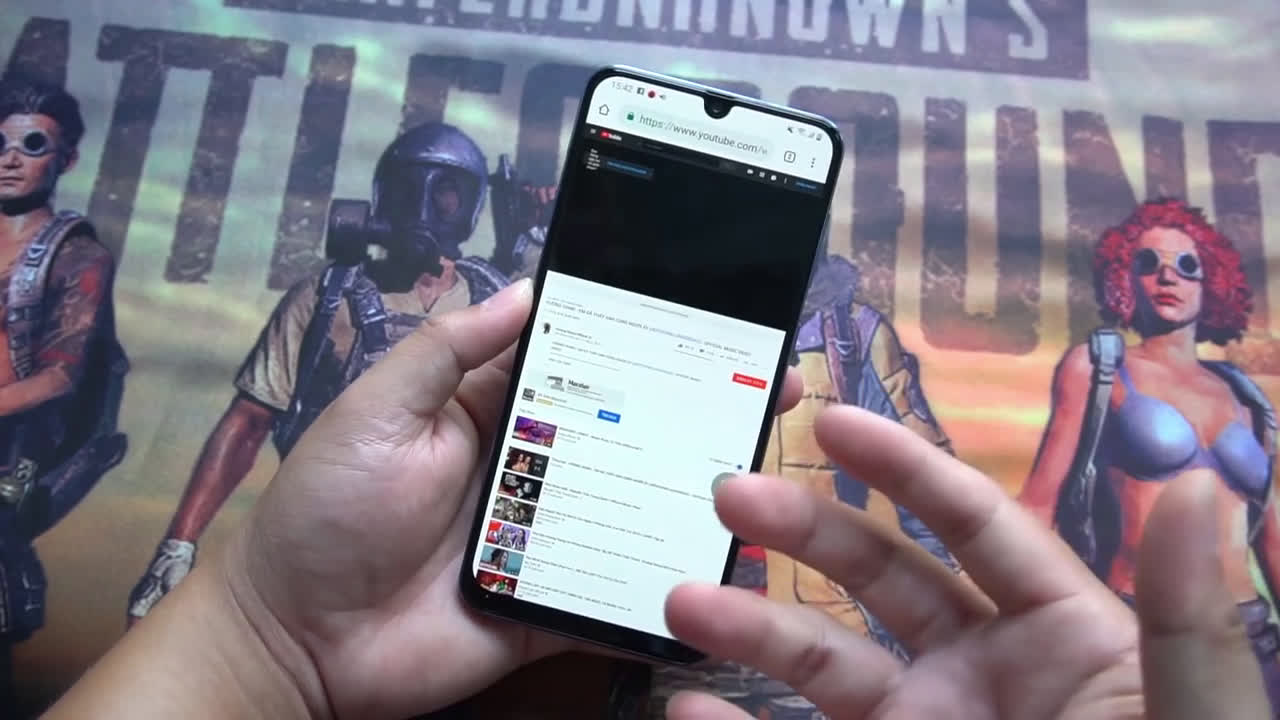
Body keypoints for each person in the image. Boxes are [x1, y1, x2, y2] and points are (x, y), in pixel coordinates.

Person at [43, 279, 1272, 719]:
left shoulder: (847, 326)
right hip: (662, 610)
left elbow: (917, 460)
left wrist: (261, 637)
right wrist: (263, 632)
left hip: (803, 622)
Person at [126, 123, 554, 623]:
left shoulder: (496, 300)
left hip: (446, 564)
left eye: (445, 192)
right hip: (326, 548)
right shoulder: (327, 299)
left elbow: (534, 428)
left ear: (471, 205)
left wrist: (509, 566)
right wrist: (178, 546)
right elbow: (248, 422)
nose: (422, 206)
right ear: (382, 196)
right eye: (407, 188)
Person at [1017, 198, 1280, 709]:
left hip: (1249, 638)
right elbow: (1037, 508)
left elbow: (1271, 536)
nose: (1167, 276)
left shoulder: (1243, 395)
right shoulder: (1100, 367)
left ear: (1212, 283)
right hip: (1135, 629)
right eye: (1147, 263)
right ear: (1125, 279)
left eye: (1187, 265)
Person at [0, 77, 128, 706]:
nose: (10, 159)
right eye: (0, 144)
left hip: (14, 460)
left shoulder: (77, 257)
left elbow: (59, 378)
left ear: (65, 160)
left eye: (31, 145)